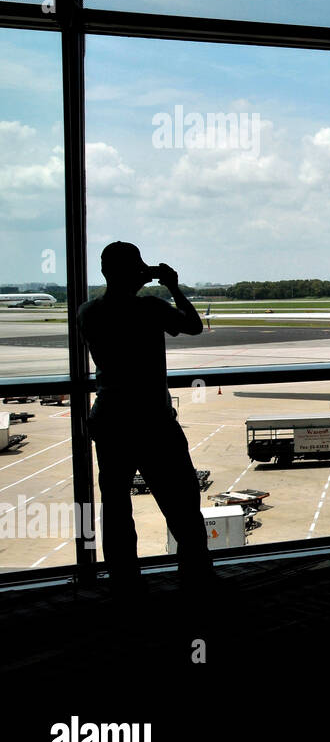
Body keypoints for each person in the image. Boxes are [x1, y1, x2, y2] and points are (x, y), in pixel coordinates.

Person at [77, 242, 214, 596]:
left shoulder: (87, 312)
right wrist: (171, 285)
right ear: (137, 273)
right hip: (152, 419)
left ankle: (126, 584)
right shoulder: (151, 308)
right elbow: (195, 326)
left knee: (117, 509)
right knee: (183, 507)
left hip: (110, 418)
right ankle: (197, 581)